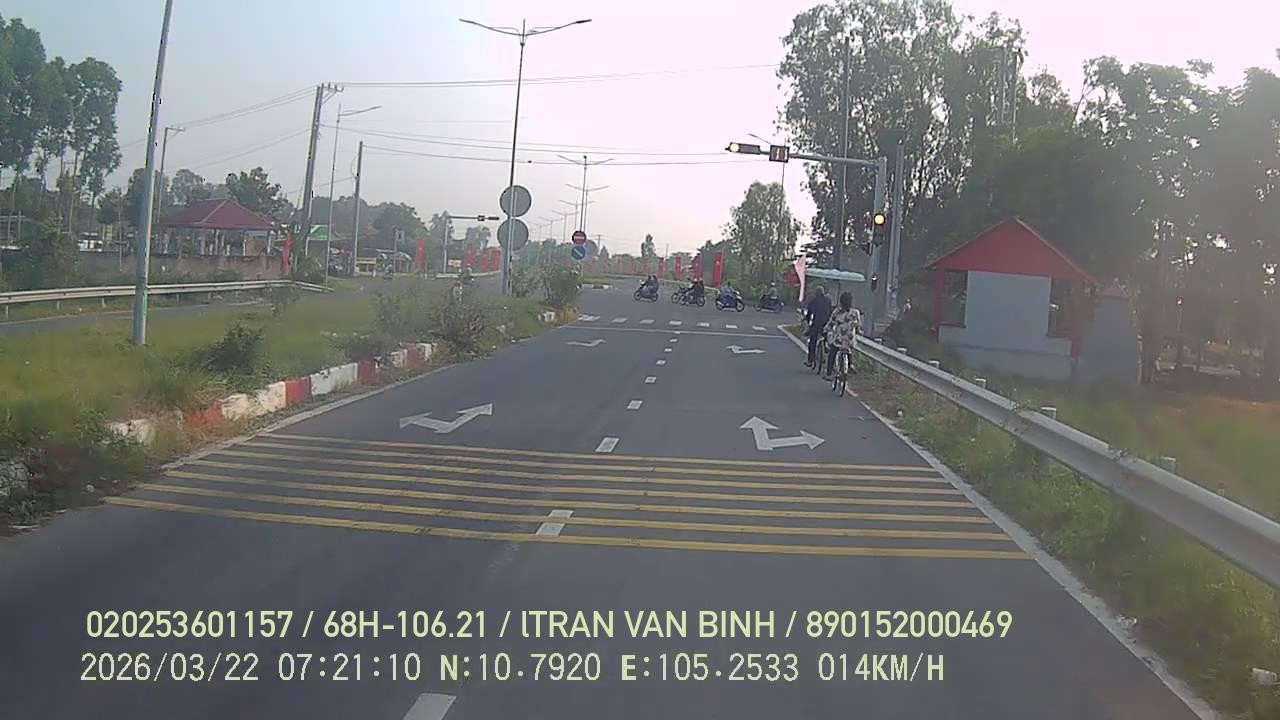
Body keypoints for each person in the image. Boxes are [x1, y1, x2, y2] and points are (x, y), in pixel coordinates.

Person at [824, 291, 860, 379]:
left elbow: (831, 323)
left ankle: (829, 374)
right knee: (849, 349)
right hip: (849, 339)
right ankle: (850, 365)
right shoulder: (855, 312)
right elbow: (858, 325)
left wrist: (826, 330)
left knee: (832, 353)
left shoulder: (837, 312)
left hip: (839, 339)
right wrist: (858, 331)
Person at [803, 286, 832, 368]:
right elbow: (830, 312)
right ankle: (826, 348)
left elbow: (809, 314)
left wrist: (808, 323)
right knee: (827, 338)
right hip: (826, 324)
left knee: (812, 341)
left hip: (816, 324)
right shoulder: (828, 300)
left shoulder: (813, 301)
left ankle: (810, 360)